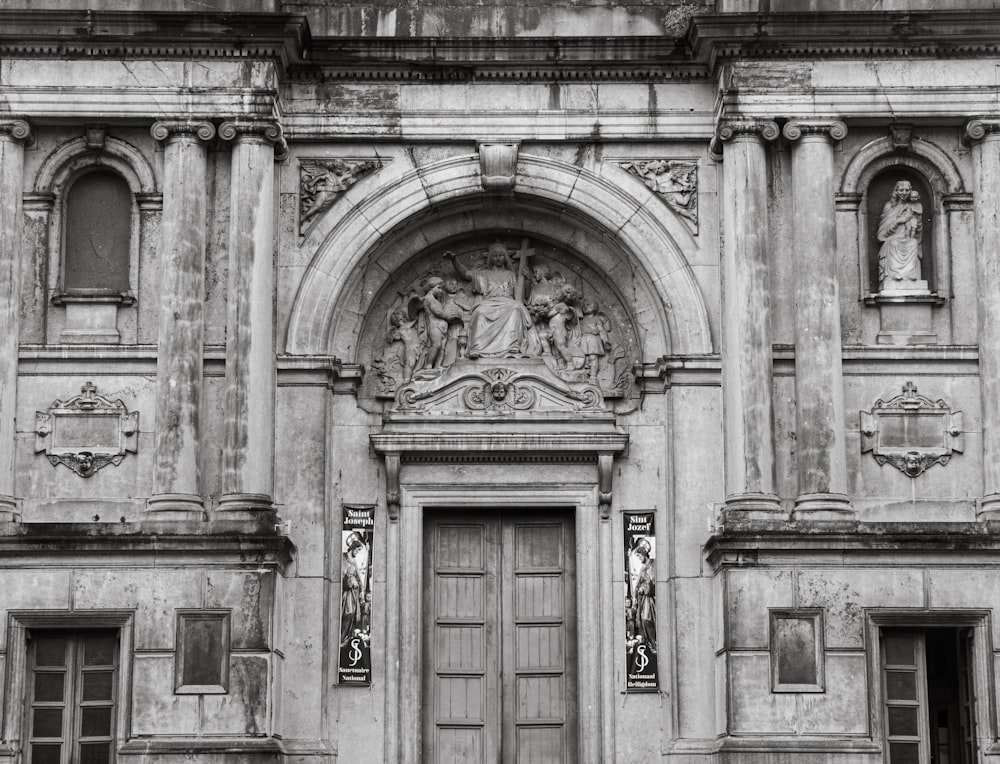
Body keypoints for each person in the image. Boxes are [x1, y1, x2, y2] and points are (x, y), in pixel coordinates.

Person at [444, 243, 540, 359]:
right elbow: (465, 274)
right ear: (490, 257)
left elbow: (524, 295)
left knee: (516, 308)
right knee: (479, 312)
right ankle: (477, 348)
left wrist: (528, 279)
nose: (498, 258)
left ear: (505, 258)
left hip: (507, 302)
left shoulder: (511, 275)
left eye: (501, 255)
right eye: (495, 256)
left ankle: (511, 346)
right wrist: (454, 260)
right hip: (488, 303)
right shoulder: (483, 274)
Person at [877, 180, 923, 288]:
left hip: (908, 238)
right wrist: (899, 221)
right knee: (893, 243)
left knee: (913, 243)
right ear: (896, 191)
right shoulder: (889, 206)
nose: (904, 193)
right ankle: (894, 276)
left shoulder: (914, 206)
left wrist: (917, 219)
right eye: (901, 190)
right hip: (893, 239)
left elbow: (918, 231)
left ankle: (910, 276)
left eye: (907, 190)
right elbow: (881, 234)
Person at [341, 531, 368, 646]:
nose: (357, 553)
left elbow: (359, 578)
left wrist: (361, 589)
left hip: (353, 593)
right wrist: (349, 580)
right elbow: (342, 573)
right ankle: (342, 637)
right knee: (347, 613)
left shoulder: (355, 562)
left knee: (352, 614)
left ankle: (346, 637)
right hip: (345, 592)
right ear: (352, 548)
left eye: (359, 551)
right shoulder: (343, 557)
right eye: (357, 550)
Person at [630, 537, 657, 652]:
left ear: (644, 554)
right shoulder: (642, 568)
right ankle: (651, 643)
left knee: (647, 619)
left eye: (640, 556)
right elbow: (637, 584)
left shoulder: (653, 564)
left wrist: (645, 587)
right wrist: (635, 595)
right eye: (638, 557)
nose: (640, 559)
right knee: (643, 619)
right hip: (644, 598)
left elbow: (653, 580)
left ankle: (654, 643)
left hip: (651, 597)